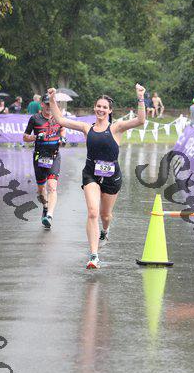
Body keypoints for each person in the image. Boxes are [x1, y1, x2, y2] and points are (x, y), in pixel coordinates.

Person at [49, 83, 146, 269]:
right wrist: (52, 99)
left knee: (105, 215)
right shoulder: (87, 128)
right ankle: (94, 256)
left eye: (104, 107)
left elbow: (141, 120)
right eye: (98, 106)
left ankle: (106, 230)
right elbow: (60, 119)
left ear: (109, 111)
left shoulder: (116, 128)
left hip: (111, 177)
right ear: (94, 108)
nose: (101, 109)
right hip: (91, 174)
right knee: (93, 212)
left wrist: (140, 97)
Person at [23, 93, 64, 229]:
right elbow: (25, 137)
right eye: (46, 104)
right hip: (39, 157)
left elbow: (63, 129)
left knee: (52, 187)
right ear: (41, 105)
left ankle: (49, 216)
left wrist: (63, 138)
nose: (48, 107)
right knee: (41, 189)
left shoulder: (58, 117)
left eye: (51, 104)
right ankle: (45, 207)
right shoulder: (35, 119)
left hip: (54, 156)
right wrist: (35, 137)